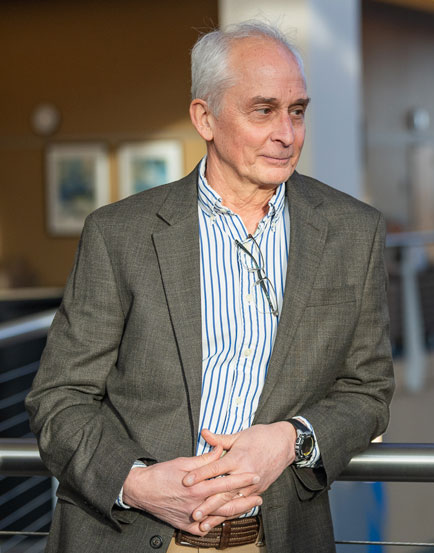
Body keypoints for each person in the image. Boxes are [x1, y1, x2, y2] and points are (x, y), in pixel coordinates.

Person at [25, 21, 394, 553]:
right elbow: (60, 398)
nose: (286, 134)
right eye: (263, 110)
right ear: (205, 118)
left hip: (275, 538)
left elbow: (368, 391)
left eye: (297, 111)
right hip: (127, 536)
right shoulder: (120, 234)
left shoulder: (353, 232)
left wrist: (291, 439)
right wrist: (136, 483)